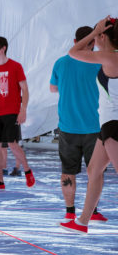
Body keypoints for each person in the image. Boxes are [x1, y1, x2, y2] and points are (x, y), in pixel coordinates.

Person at [60, 16, 118, 233]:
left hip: (114, 125)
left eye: (98, 36)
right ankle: (83, 221)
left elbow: (73, 53)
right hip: (107, 125)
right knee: (94, 170)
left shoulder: (110, 56)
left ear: (103, 36)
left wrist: (93, 33)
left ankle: (83, 221)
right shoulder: (111, 56)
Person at [51, 26, 108, 224]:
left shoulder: (61, 63)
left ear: (75, 42)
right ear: (92, 42)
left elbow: (53, 88)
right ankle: (93, 211)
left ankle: (69, 212)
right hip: (94, 127)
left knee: (68, 172)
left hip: (67, 126)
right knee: (96, 171)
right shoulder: (99, 63)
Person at [0, 36, 35, 191]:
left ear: (3, 48)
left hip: (11, 111)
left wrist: (23, 110)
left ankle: (27, 170)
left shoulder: (15, 66)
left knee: (12, 143)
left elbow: (25, 89)